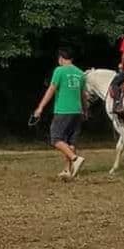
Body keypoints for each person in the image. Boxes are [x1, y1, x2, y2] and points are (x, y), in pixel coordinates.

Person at [33, 47, 89, 180]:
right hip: (77, 111)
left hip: (63, 110)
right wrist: (85, 110)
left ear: (61, 59)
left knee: (56, 139)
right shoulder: (81, 73)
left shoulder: (59, 70)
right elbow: (83, 96)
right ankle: (67, 170)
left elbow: (51, 89)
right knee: (70, 142)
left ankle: (75, 159)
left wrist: (40, 107)